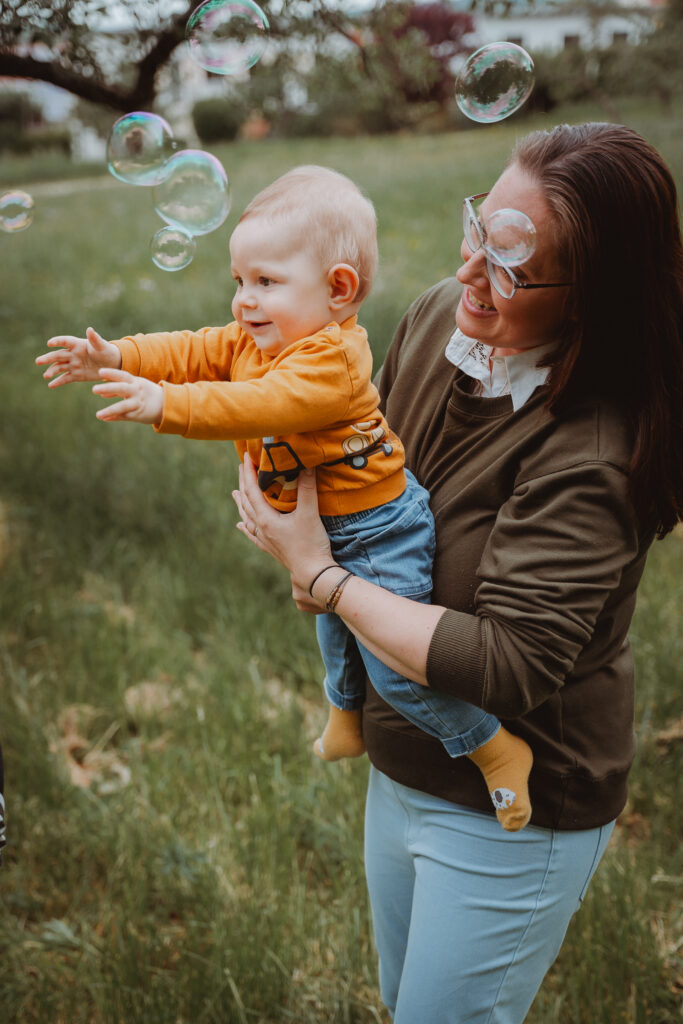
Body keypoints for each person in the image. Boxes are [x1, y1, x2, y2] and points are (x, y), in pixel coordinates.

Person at [231, 123, 683, 1023]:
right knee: (403, 1002)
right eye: (478, 228)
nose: (469, 270)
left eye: (511, 265)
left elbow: (505, 664)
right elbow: (361, 478)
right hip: (403, 759)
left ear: (591, 298)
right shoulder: (440, 313)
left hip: (515, 811)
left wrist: (322, 576)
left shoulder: (591, 450)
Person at [35, 164, 534, 831]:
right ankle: (345, 717)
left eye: (265, 282)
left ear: (338, 289)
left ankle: (492, 746)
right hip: (335, 528)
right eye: (238, 281)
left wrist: (165, 405)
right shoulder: (259, 337)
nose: (243, 301)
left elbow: (258, 404)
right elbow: (193, 349)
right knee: (334, 631)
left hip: (379, 531)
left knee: (392, 669)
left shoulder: (332, 361)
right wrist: (119, 356)